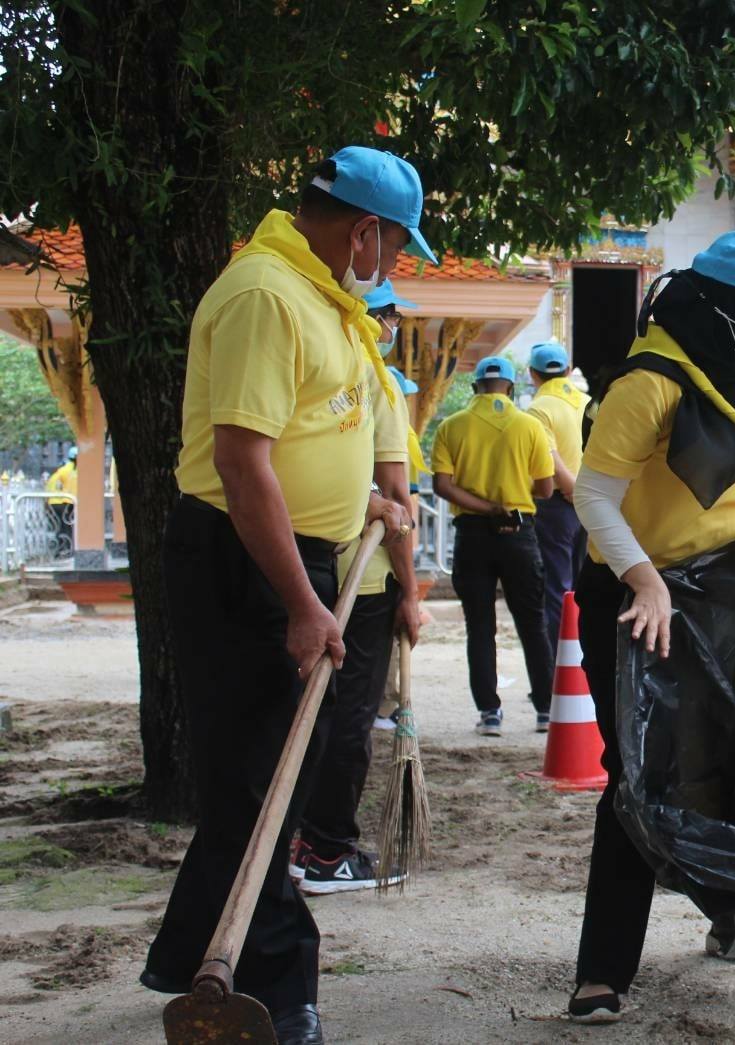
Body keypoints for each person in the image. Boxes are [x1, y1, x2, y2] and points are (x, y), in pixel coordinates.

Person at [140, 145, 429, 1045]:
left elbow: (312, 435)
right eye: (393, 245)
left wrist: (366, 502)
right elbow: (241, 459)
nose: (393, 263)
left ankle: (191, 958)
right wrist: (303, 600)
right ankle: (276, 985)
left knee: (268, 776)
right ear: (363, 230)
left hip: (296, 552)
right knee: (263, 783)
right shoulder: (267, 294)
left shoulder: (322, 299)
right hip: (246, 562)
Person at [567, 228, 735, 1024]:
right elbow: (594, 497)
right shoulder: (647, 382)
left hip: (719, 595)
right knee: (637, 776)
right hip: (634, 597)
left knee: (730, 763)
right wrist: (643, 579)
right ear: (723, 311)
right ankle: (602, 969)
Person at [293, 279, 422, 894]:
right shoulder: (373, 374)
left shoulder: (320, 362)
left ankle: (301, 838)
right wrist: (412, 591)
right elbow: (397, 497)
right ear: (380, 318)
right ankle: (327, 849)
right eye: (393, 317)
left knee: (314, 711)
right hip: (362, 583)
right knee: (349, 715)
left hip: (303, 565)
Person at [432, 356, 556, 736]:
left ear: (474, 389)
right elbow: (546, 488)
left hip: (473, 536)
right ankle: (545, 710)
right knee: (532, 624)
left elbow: (442, 484)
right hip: (519, 534)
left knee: (480, 626)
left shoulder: (452, 427)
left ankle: (489, 712)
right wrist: (512, 494)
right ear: (510, 387)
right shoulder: (529, 426)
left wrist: (486, 506)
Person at [524, 341, 589, 648]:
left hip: (557, 506)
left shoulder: (538, 409)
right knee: (586, 587)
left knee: (557, 590)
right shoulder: (590, 402)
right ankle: (585, 671)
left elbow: (550, 460)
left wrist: (572, 490)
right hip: (594, 506)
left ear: (532, 375)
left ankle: (558, 672)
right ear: (567, 370)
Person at [45, 446, 78, 553]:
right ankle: (67, 548)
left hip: (57, 503)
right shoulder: (75, 470)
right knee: (68, 527)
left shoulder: (60, 472)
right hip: (68, 502)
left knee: (59, 527)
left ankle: (61, 549)